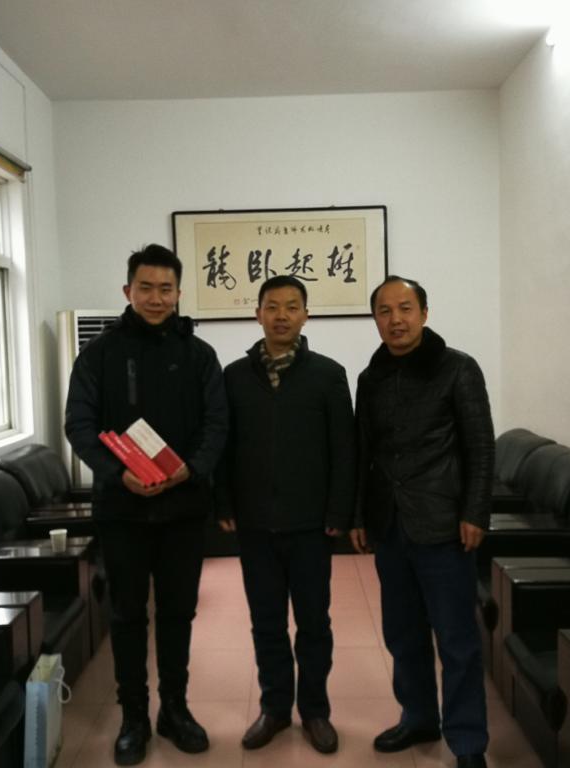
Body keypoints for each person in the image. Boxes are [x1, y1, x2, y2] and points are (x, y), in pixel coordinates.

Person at [65, 244, 228, 766]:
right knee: (127, 615)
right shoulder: (99, 354)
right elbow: (79, 424)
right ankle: (133, 716)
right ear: (127, 291)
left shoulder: (199, 355)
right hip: (123, 510)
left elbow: (217, 423)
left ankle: (174, 709)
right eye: (146, 288)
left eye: (166, 289)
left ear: (179, 293)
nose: (156, 298)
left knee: (179, 612)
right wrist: (119, 474)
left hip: (184, 509)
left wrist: (190, 469)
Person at [351, 275, 494, 768]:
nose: (396, 320)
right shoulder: (370, 378)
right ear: (375, 319)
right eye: (385, 311)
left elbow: (480, 446)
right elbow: (364, 452)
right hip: (391, 527)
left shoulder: (458, 369)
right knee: (403, 634)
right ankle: (418, 717)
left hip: (444, 525)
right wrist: (359, 515)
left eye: (406, 308)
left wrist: (475, 511)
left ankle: (468, 743)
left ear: (425, 313)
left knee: (456, 640)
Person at [216, 275, 355, 754]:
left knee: (314, 622)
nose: (281, 315)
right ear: (257, 314)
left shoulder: (328, 374)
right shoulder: (234, 376)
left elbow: (344, 450)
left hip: (311, 524)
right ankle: (275, 707)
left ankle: (315, 710)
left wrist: (339, 510)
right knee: (267, 621)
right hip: (254, 523)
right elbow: (223, 447)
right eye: (272, 306)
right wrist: (223, 502)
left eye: (292, 306)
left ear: (305, 315)